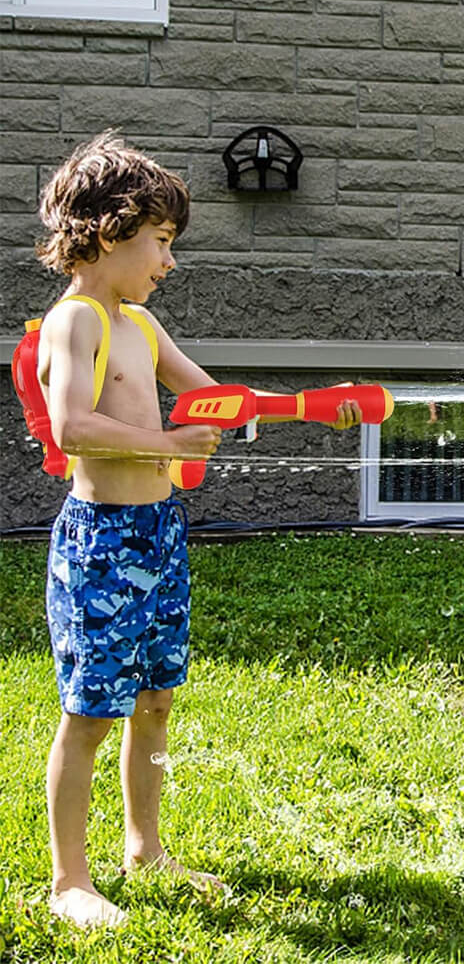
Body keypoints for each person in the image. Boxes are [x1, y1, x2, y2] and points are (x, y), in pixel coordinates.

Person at [33, 131, 360, 927]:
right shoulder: (76, 322)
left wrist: (318, 406)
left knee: (154, 699)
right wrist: (169, 445)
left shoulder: (142, 328)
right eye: (161, 242)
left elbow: (223, 400)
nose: (169, 261)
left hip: (158, 534)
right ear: (110, 230)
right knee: (91, 712)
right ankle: (68, 880)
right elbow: (74, 425)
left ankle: (144, 847)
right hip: (102, 542)